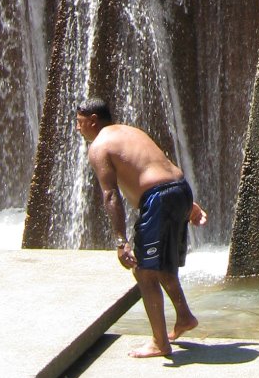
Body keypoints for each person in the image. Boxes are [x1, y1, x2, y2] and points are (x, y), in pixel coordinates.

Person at [76, 98, 207, 360]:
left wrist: (121, 241)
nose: (77, 129)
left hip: (158, 198)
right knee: (161, 265)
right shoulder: (130, 132)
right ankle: (184, 316)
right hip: (179, 189)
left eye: (79, 123)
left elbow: (110, 195)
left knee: (144, 272)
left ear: (92, 120)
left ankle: (160, 343)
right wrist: (187, 205)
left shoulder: (99, 146)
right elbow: (158, 167)